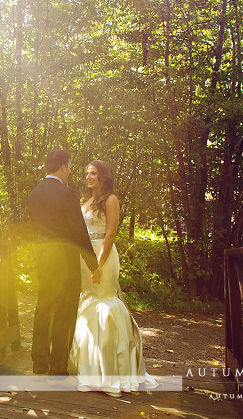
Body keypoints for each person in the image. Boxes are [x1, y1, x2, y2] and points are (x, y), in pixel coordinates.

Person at [70, 160, 157, 396]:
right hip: (82, 255)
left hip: (103, 256)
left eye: (94, 173)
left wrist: (97, 265)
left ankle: (112, 369)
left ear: (103, 177)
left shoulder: (111, 200)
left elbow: (109, 236)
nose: (89, 177)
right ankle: (89, 367)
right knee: (87, 301)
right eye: (87, 172)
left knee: (105, 300)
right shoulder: (83, 201)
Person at [28, 149, 102, 379]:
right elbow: (78, 232)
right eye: (69, 166)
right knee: (64, 311)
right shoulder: (68, 194)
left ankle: (39, 363)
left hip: (43, 256)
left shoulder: (34, 193)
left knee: (43, 307)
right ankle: (58, 367)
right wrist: (94, 265)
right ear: (62, 167)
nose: (70, 171)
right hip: (64, 260)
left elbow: (34, 228)